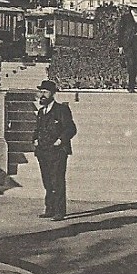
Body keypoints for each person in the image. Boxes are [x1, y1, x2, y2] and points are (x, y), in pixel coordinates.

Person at [32, 79, 77, 221]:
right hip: (43, 151)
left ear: (52, 93)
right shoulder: (41, 111)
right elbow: (37, 129)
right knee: (47, 181)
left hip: (57, 152)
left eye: (45, 92)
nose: (42, 95)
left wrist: (61, 140)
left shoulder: (61, 110)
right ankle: (49, 208)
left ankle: (59, 211)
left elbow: (71, 128)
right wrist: (35, 139)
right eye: (41, 92)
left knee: (57, 180)